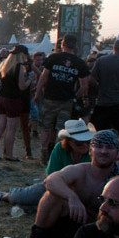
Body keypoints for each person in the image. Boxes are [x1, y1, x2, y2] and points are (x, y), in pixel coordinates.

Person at [28, 129, 119, 238]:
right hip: (67, 228)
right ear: (90, 150)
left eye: (109, 147)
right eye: (99, 146)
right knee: (52, 195)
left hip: (93, 236)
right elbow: (50, 180)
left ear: (117, 153)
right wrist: (72, 197)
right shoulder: (80, 170)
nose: (103, 151)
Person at [0, 119, 95, 207]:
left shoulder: (93, 153)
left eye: (88, 141)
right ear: (69, 142)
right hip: (59, 187)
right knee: (21, 197)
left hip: (83, 191)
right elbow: (51, 176)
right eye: (79, 143)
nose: (85, 145)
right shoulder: (59, 149)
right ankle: (5, 195)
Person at [36, 34, 92, 164]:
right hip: (67, 101)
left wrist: (37, 93)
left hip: (50, 97)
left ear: (62, 44)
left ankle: (44, 152)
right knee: (61, 129)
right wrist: (75, 96)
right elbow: (85, 85)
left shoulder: (53, 58)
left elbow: (43, 77)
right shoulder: (79, 62)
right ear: (75, 46)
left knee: (45, 126)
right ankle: (56, 155)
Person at [0, 45, 33, 161]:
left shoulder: (4, 65)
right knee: (11, 128)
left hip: (1, 97)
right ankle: (9, 154)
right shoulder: (19, 67)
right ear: (22, 55)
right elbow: (22, 86)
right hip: (12, 99)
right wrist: (30, 79)